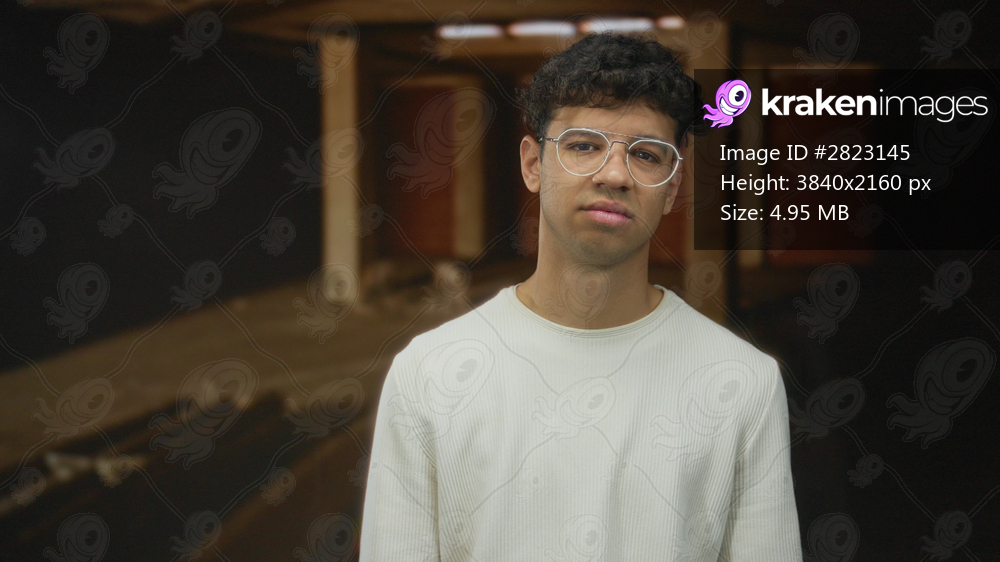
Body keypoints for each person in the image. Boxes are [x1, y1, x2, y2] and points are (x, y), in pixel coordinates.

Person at [359, 32, 802, 561]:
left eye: (646, 154)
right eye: (584, 146)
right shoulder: (428, 374)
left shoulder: (742, 382)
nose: (614, 174)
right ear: (532, 165)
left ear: (672, 186)